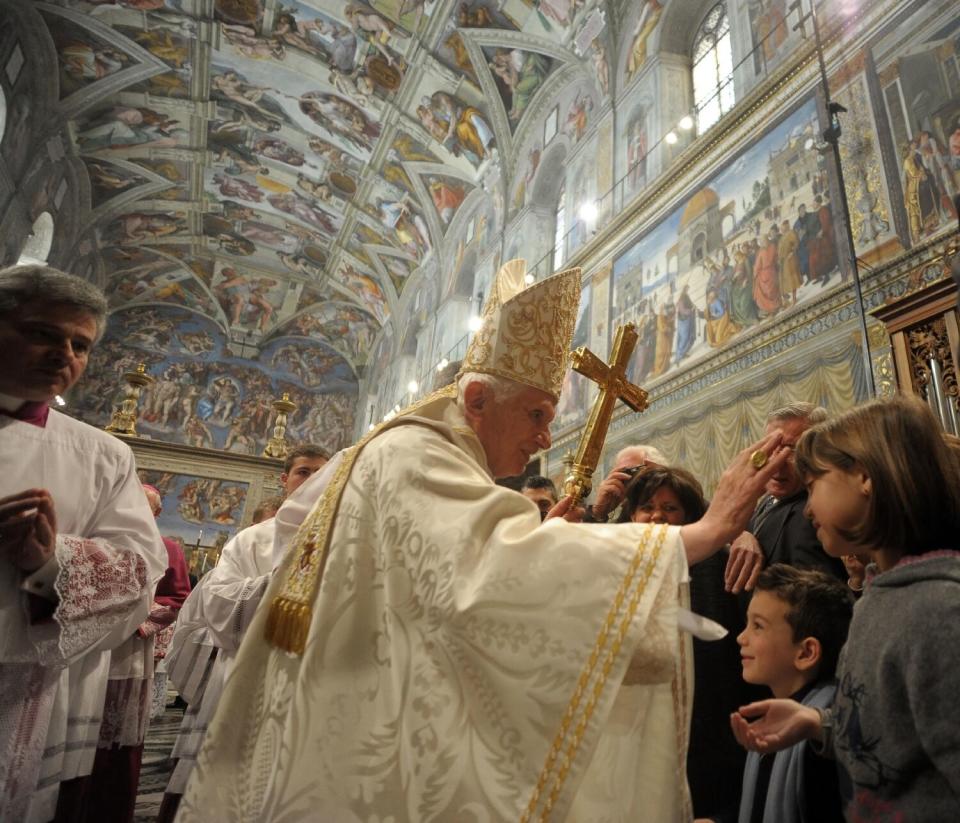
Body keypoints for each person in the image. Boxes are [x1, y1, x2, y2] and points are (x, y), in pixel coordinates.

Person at [178, 259, 790, 822]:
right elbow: (486, 578)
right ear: (476, 399)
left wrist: (544, 539)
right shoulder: (418, 454)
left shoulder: (424, 453)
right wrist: (706, 532)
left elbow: (454, 586)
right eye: (537, 414)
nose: (546, 438)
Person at [731, 397, 960, 821]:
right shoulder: (881, 596)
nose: (807, 497)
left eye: (815, 479)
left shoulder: (938, 614)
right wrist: (820, 724)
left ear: (866, 478)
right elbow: (892, 739)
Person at [0, 265, 167, 822]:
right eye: (43, 333)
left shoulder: (103, 455)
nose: (64, 355)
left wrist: (48, 563)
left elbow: (140, 570)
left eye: (81, 345)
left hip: (26, 682)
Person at [157, 445, 327, 822]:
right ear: (284, 480)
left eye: (322, 472)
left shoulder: (343, 538)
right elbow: (218, 603)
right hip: (245, 677)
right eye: (304, 472)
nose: (313, 480)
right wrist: (287, 583)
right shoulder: (253, 540)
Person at [617, 468, 761, 819]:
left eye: (670, 508)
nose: (656, 517)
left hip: (710, 716)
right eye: (647, 506)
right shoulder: (616, 566)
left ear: (690, 516)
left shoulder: (720, 563)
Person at [698, 564, 851, 823]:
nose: (741, 638)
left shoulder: (820, 739)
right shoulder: (775, 713)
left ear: (806, 653)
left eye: (758, 626)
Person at [85, 484, 191, 823]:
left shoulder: (169, 549)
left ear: (158, 513)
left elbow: (177, 599)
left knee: (118, 738)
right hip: (85, 646)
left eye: (147, 507)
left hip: (128, 651)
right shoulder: (96, 537)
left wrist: (132, 620)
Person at [725, 402, 846, 592]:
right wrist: (741, 534)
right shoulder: (767, 500)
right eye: (771, 448)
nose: (776, 463)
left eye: (790, 450)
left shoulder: (813, 515)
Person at [584, 442, 667, 522]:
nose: (626, 479)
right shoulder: (625, 517)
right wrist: (598, 513)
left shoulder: (674, 498)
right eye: (620, 474)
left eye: (633, 471)